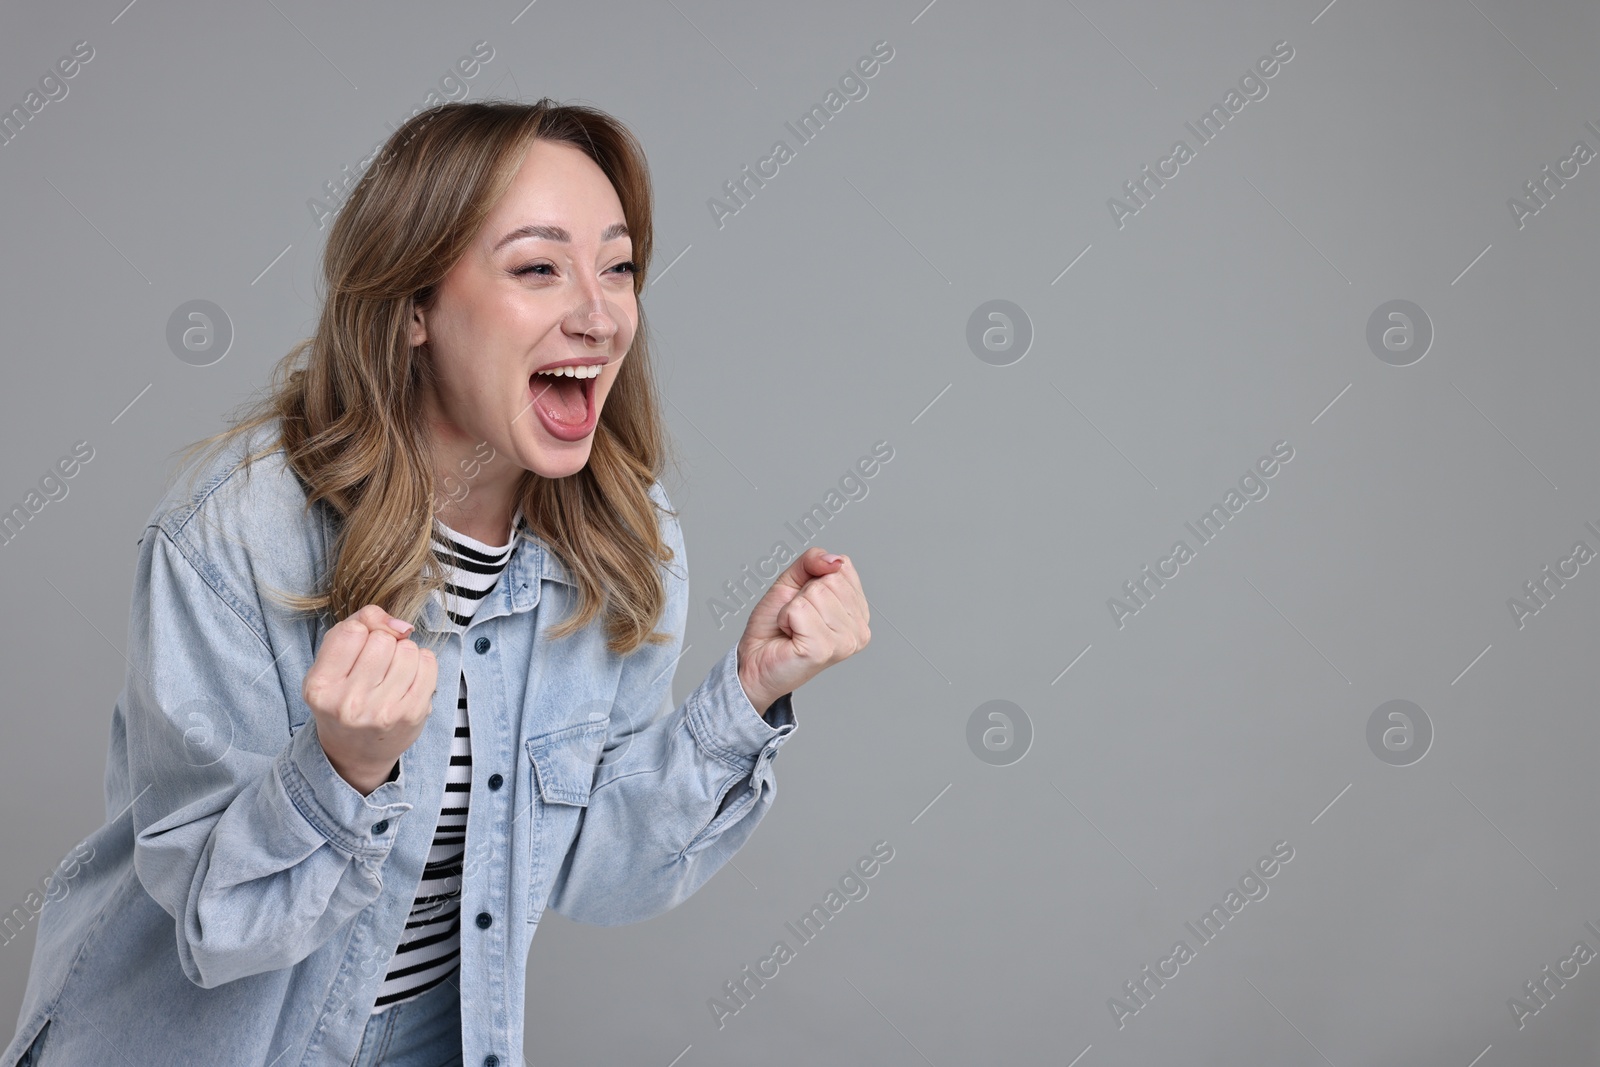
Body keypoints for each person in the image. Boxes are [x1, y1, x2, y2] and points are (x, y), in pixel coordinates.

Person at [2, 98, 869, 1067]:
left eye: (618, 266)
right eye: (539, 267)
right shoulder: (237, 534)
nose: (598, 311)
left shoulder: (625, 535)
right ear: (415, 307)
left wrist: (749, 697)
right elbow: (218, 930)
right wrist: (340, 769)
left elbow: (592, 867)